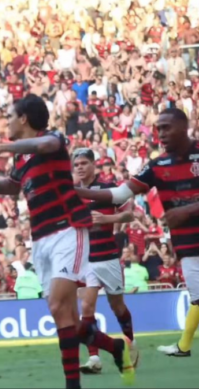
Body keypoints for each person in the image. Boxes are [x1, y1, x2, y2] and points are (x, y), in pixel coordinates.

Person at [0, 94, 134, 389]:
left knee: (56, 303)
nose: (7, 122)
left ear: (24, 118)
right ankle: (115, 348)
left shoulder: (53, 140)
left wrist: (0, 146)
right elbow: (10, 186)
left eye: (10, 116)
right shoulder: (21, 157)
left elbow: (44, 145)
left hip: (67, 229)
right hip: (40, 239)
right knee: (66, 318)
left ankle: (72, 385)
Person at [75, 108, 199, 359]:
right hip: (188, 243)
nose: (161, 133)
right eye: (158, 128)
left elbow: (125, 210)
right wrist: (76, 191)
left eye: (167, 127)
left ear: (184, 125)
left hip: (110, 256)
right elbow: (120, 194)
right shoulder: (156, 166)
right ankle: (183, 346)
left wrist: (187, 210)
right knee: (197, 297)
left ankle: (179, 346)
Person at [72, 148, 139, 374]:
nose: (79, 167)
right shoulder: (73, 194)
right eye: (76, 164)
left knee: (116, 306)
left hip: (108, 256)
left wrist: (107, 218)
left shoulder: (108, 188)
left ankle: (130, 341)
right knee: (87, 307)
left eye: (83, 163)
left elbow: (130, 214)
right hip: (86, 258)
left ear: (93, 165)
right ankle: (94, 358)